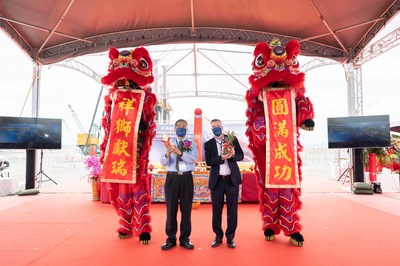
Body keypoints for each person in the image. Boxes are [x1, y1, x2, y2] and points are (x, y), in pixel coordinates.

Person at [204, 119, 244, 248]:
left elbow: (241, 156)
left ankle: (230, 237)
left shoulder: (231, 139)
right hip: (217, 181)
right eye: (213, 127)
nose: (216, 128)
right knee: (217, 211)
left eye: (218, 126)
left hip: (232, 180)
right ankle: (218, 236)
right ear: (211, 129)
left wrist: (232, 155)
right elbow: (209, 161)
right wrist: (221, 158)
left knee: (232, 211)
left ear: (222, 127)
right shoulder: (208, 144)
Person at [160, 119, 198, 250]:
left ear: (187, 129)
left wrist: (180, 152)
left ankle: (185, 239)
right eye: (178, 126)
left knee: (186, 210)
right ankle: (170, 239)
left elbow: (193, 159)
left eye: (183, 126)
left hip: (186, 178)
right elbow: (163, 162)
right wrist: (168, 153)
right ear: (174, 129)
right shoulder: (168, 143)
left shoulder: (191, 144)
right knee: (171, 210)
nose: (181, 128)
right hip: (172, 178)